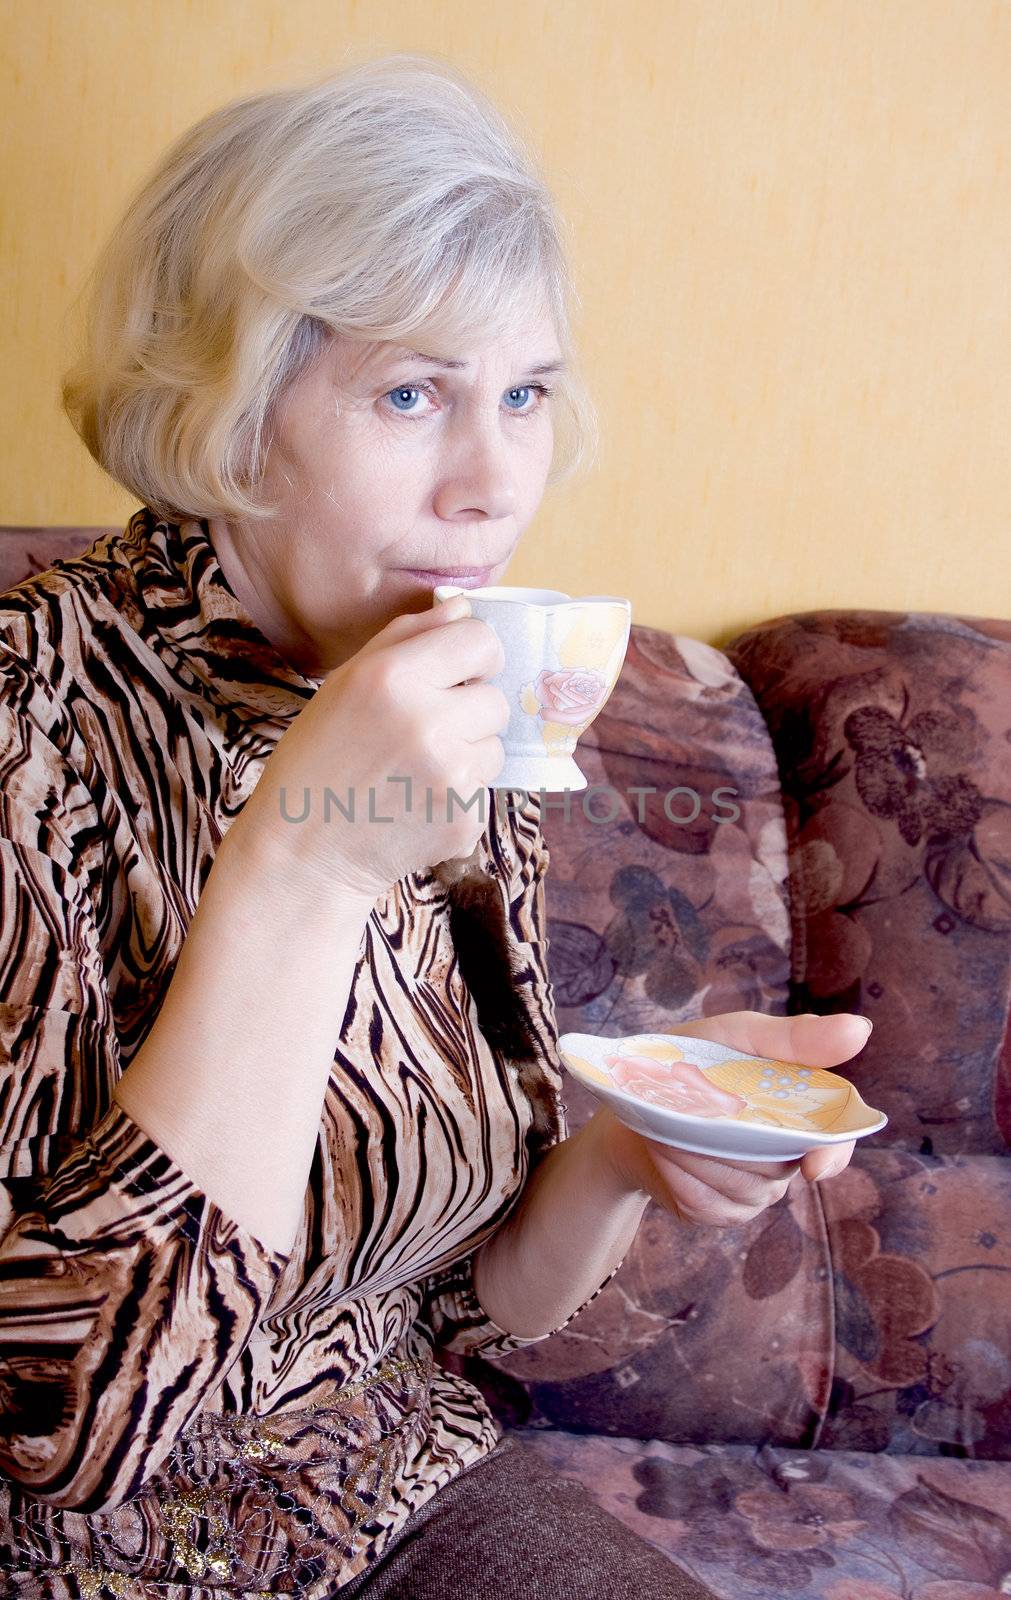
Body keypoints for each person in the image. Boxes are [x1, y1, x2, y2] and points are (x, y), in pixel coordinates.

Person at [0, 52, 867, 1598]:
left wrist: (624, 1151)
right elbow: (74, 1434)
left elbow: (469, 1314)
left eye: (524, 394)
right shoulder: (30, 723)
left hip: (394, 1481)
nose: (493, 485)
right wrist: (313, 851)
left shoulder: (458, 697)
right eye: (413, 392)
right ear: (227, 415)